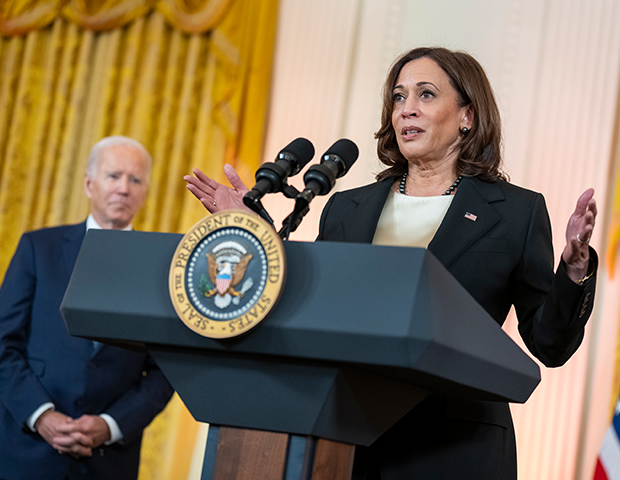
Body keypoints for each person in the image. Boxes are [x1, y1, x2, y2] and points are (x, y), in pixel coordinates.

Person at [184, 47, 597, 479]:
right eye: (399, 98)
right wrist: (259, 235)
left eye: (426, 95)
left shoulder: (515, 212)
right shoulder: (347, 207)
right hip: (347, 437)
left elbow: (550, 345)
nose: (407, 110)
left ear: (467, 116)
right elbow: (314, 301)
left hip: (456, 445)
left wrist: (573, 268)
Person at [0, 136, 174, 480]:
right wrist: (42, 417)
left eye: (135, 179)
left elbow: (165, 371)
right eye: (113, 176)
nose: (124, 188)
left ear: (145, 191)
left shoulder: (164, 270)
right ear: (89, 184)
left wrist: (110, 425)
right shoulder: (39, 248)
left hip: (105, 463)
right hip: (21, 454)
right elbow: (1, 345)